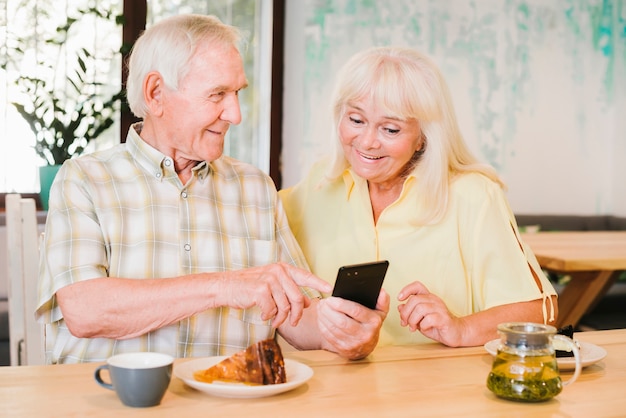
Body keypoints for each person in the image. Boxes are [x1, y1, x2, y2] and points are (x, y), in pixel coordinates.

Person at [36, 14, 388, 364]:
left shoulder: (255, 188)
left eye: (236, 93)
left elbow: (299, 317)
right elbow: (84, 310)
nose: (235, 114)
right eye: (218, 94)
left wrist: (343, 332)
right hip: (115, 401)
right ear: (156, 94)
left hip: (235, 400)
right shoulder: (85, 180)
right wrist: (225, 286)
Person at [279, 46, 558, 347]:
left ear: (423, 136)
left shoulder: (473, 196)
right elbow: (250, 231)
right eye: (356, 121)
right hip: (331, 389)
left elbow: (541, 313)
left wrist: (461, 328)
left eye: (390, 129)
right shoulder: (321, 182)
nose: (367, 142)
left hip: (433, 389)